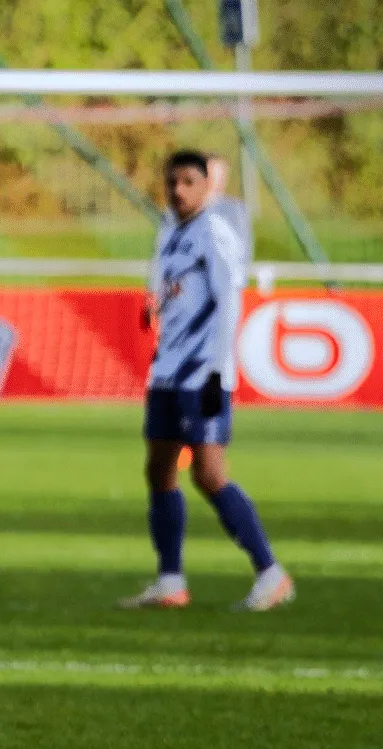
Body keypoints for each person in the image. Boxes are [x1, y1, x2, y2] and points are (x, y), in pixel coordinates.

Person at [122, 150, 293, 612]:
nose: (178, 190)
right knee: (159, 469)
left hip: (202, 372)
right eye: (172, 182)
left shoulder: (214, 230)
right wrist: (153, 300)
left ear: (205, 186)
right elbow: (169, 281)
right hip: (168, 370)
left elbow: (228, 300)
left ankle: (270, 574)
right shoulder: (171, 229)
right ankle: (171, 581)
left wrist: (219, 370)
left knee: (209, 473)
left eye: (188, 182)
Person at [144, 154, 253, 327]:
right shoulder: (176, 213)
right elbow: (161, 255)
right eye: (213, 175)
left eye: (222, 175)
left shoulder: (235, 212)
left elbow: (243, 253)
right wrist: (154, 292)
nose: (218, 181)